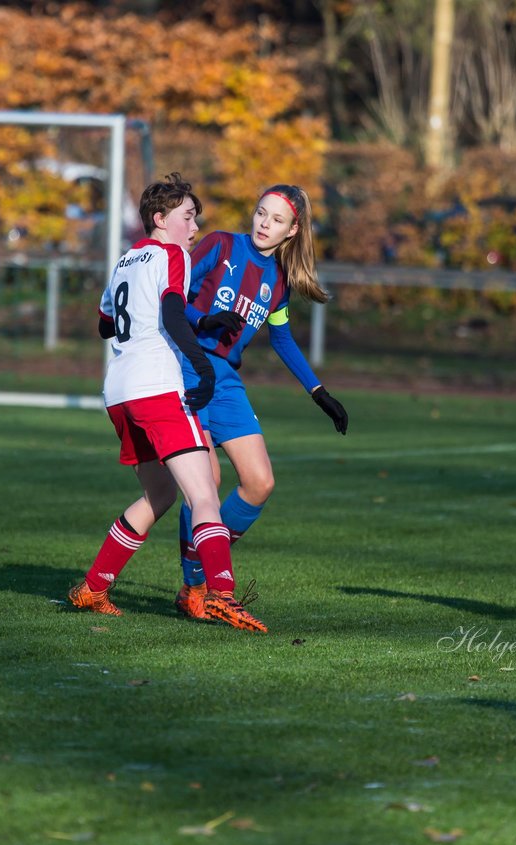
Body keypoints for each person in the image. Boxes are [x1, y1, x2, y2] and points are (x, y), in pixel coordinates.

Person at [67, 172, 267, 632]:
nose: (195, 228)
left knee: (158, 495)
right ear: (160, 220)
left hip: (118, 391)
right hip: (157, 386)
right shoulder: (171, 254)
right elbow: (174, 310)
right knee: (204, 494)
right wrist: (198, 362)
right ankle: (221, 594)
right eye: (188, 217)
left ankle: (94, 587)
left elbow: (104, 325)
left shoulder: (124, 261)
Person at [171, 184, 348, 621]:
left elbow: (282, 338)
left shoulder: (280, 281)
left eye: (276, 220)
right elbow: (171, 294)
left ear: (292, 231)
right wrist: (203, 318)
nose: (264, 224)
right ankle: (196, 587)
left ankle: (199, 565)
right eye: (260, 213)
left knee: (260, 483)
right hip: (185, 366)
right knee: (205, 483)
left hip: (227, 380)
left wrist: (318, 391)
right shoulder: (220, 245)